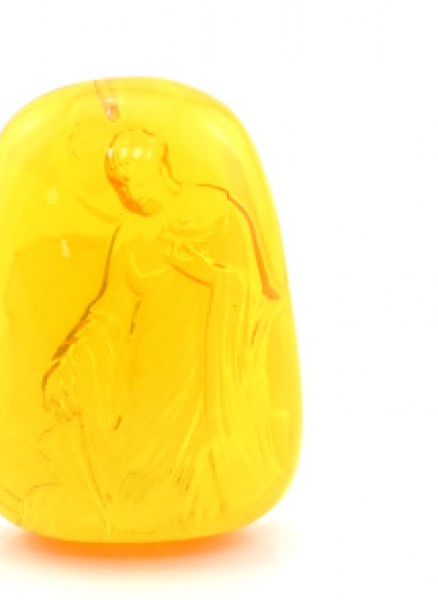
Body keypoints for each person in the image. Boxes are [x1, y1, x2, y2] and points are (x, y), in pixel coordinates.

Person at [36, 128, 282, 536]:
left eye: (132, 181)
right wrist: (74, 360)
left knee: (193, 458)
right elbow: (112, 307)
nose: (126, 194)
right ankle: (137, 517)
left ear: (159, 168)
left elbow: (256, 294)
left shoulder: (217, 213)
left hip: (202, 367)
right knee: (140, 452)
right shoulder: (131, 234)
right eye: (118, 186)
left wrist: (210, 276)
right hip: (148, 366)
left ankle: (195, 508)